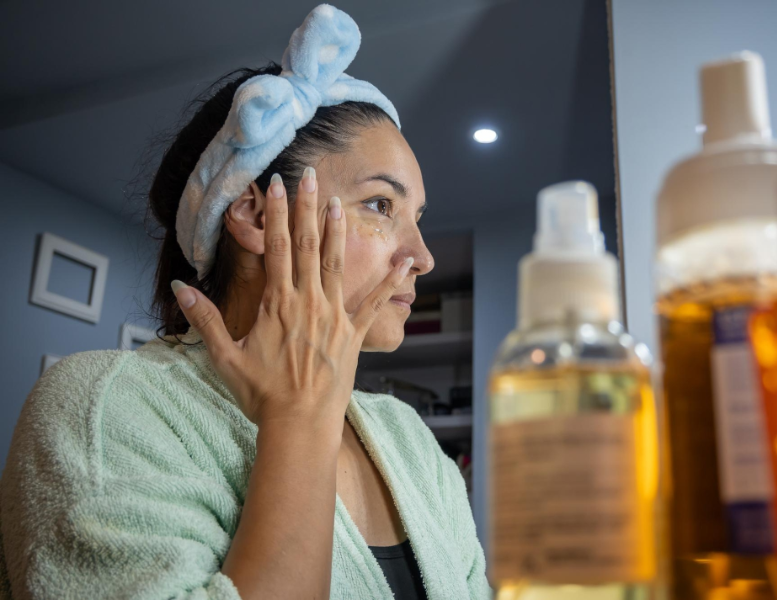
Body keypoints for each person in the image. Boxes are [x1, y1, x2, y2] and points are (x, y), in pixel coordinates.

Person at [0, 5, 490, 599]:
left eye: (418, 218)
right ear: (257, 214)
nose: (422, 255)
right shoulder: (104, 408)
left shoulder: (408, 438)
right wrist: (298, 419)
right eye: (381, 205)